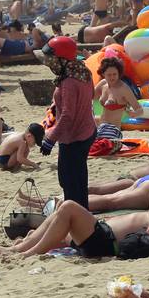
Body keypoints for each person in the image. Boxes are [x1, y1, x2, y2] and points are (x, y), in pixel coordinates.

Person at [38, 36, 97, 207]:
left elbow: (68, 116)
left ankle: (76, 219)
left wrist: (50, 139)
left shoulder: (69, 82)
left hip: (74, 137)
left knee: (69, 182)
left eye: (51, 59)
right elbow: (90, 96)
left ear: (62, 59)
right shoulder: (81, 71)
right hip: (87, 131)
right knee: (79, 180)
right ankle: (82, 213)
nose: (49, 63)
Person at [0, 201, 149, 260]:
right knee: (63, 211)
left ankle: (25, 252)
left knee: (69, 207)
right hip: (101, 237)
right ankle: (22, 246)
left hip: (106, 241)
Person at [93, 57, 143, 148]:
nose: (112, 77)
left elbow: (140, 110)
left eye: (114, 74)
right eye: (109, 75)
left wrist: (133, 114)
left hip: (113, 129)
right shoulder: (103, 84)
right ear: (103, 74)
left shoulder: (124, 88)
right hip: (100, 127)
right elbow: (90, 96)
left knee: (101, 147)